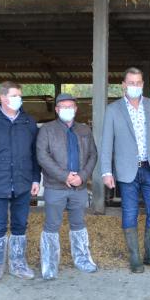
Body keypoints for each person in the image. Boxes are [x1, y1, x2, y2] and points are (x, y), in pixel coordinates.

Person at [100, 67, 150, 273]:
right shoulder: (113, 110)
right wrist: (106, 171)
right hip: (126, 170)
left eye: (138, 83)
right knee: (129, 213)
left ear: (143, 85)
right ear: (123, 85)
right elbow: (107, 143)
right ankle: (135, 257)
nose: (135, 86)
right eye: (131, 83)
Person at [0, 81, 41, 286]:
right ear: (2, 97)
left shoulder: (29, 122)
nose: (18, 99)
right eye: (14, 95)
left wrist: (36, 179)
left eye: (20, 95)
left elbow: (34, 154)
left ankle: (18, 264)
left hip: (23, 182)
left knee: (20, 224)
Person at [37, 93, 98, 279]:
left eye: (70, 106)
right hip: (55, 186)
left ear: (76, 109)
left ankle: (82, 259)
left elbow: (93, 155)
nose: (67, 109)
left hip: (79, 187)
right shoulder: (47, 130)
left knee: (79, 224)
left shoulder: (84, 130)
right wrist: (64, 176)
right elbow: (42, 156)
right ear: (56, 109)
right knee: (52, 225)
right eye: (63, 106)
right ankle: (49, 264)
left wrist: (82, 176)